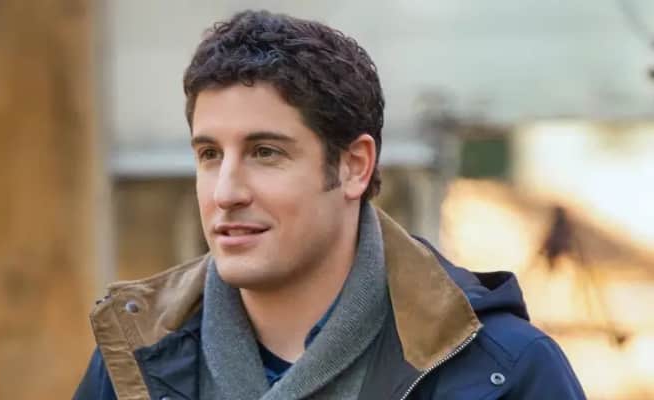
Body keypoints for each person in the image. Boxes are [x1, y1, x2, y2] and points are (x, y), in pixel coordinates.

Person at [74, 10, 586, 400]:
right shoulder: (132, 364)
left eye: (265, 152)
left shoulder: (504, 373)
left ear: (354, 166)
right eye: (210, 154)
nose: (226, 192)